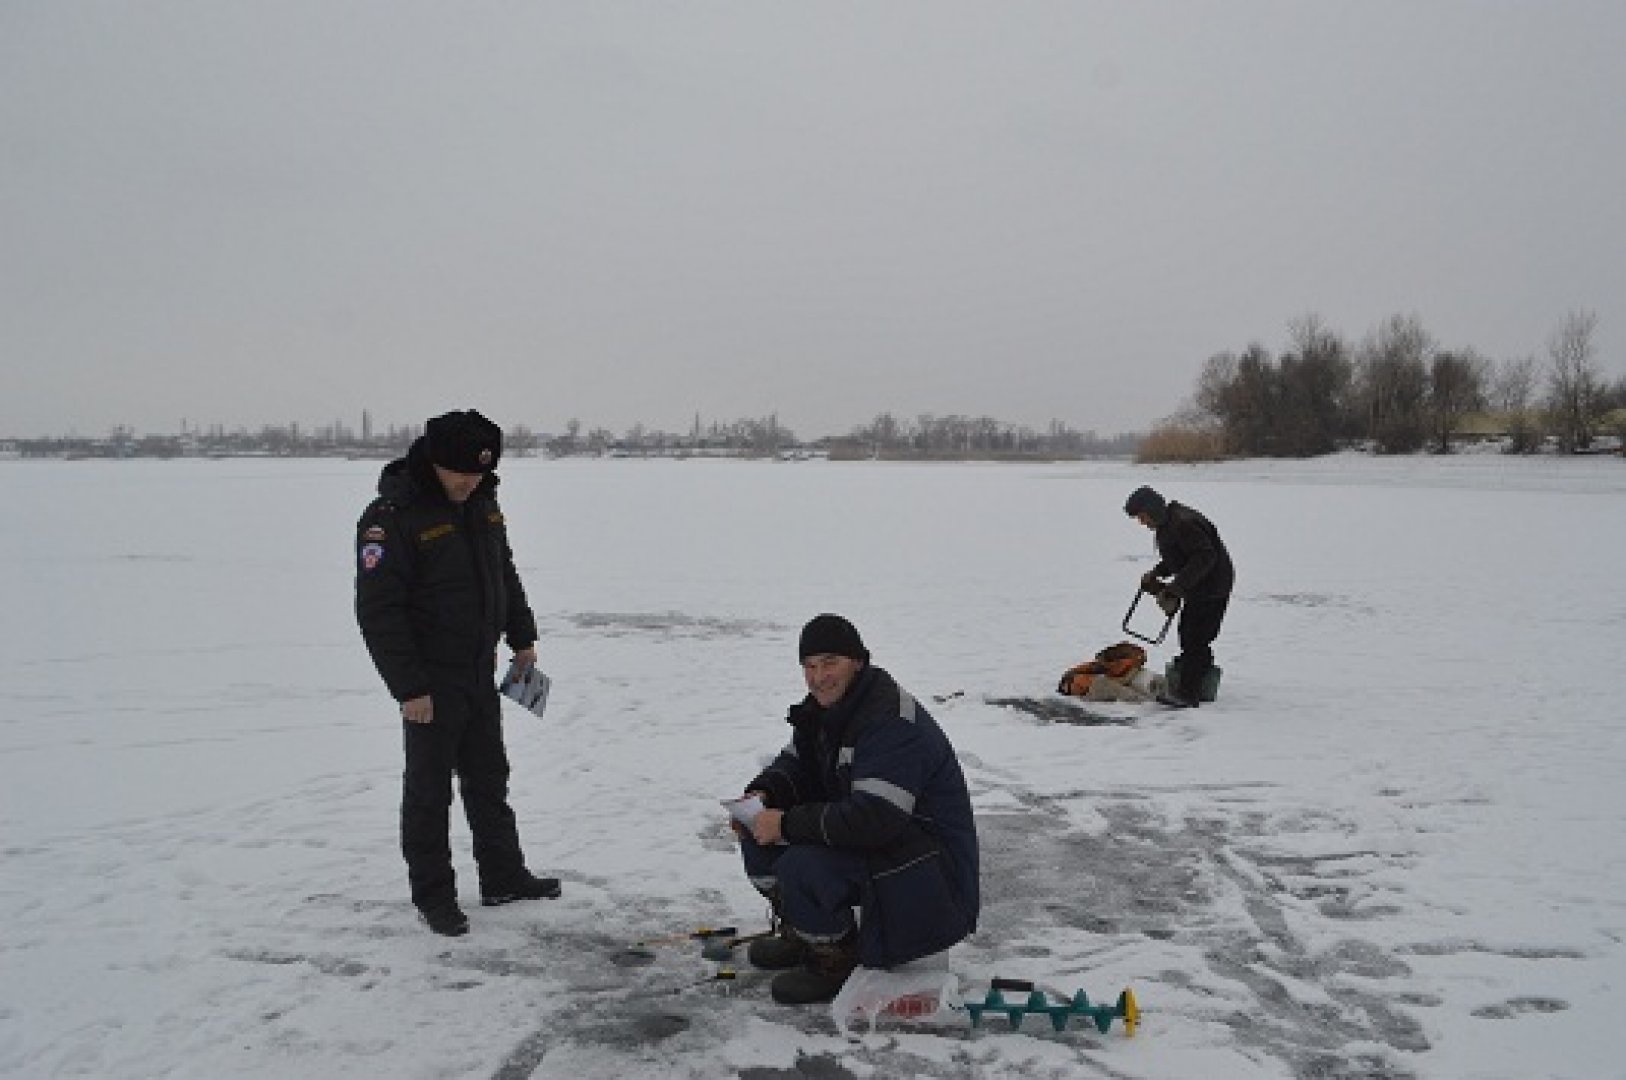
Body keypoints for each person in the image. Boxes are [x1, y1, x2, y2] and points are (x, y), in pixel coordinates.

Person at [355, 409, 560, 936]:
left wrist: (522, 636)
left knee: (490, 778)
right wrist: (410, 688)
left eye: (480, 472)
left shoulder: (482, 502)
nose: (471, 482)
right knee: (429, 793)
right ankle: (434, 896)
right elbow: (379, 613)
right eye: (461, 473)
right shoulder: (392, 517)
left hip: (478, 670)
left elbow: (503, 572)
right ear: (435, 462)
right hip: (429, 681)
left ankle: (503, 876)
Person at [733, 614, 980, 1005]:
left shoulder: (890, 720)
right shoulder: (824, 711)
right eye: (809, 666)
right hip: (889, 846)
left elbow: (876, 818)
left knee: (803, 863)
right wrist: (763, 796)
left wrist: (786, 823)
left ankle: (835, 956)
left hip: (932, 871)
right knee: (757, 838)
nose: (819, 677)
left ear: (858, 662)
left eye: (830, 662)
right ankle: (805, 929)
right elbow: (795, 765)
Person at [1124, 485, 1235, 708]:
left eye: (1142, 516)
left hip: (1213, 587)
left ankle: (1189, 693)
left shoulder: (1184, 523)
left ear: (1152, 510)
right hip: (1200, 585)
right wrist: (1157, 572)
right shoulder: (1167, 524)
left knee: (1195, 637)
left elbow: (1205, 557)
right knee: (1190, 634)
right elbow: (1179, 557)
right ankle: (1200, 681)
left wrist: (1176, 587)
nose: (1142, 522)